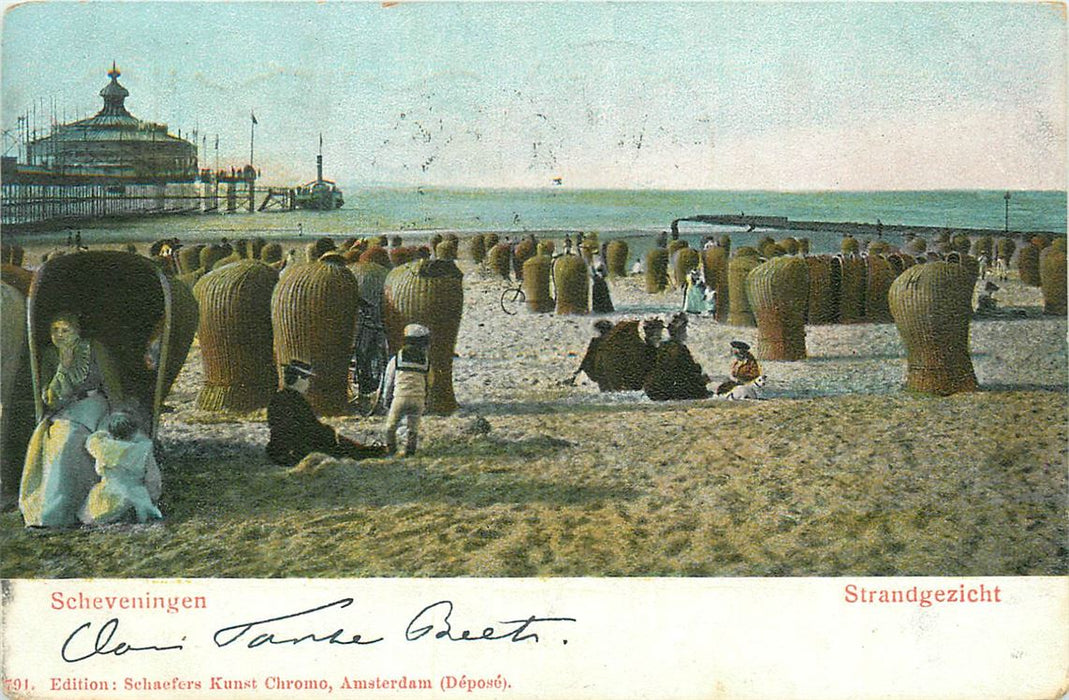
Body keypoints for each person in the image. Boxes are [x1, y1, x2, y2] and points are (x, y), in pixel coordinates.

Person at [19, 312, 125, 527]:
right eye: (54, 330)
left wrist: (117, 411)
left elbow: (111, 384)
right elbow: (49, 398)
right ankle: (53, 514)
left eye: (64, 330)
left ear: (76, 331)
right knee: (58, 441)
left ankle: (84, 508)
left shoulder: (94, 348)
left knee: (77, 440)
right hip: (66, 409)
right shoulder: (50, 354)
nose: (59, 335)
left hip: (94, 405)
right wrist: (63, 368)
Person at [267, 359, 385, 467]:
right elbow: (310, 428)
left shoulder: (280, 397)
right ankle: (366, 452)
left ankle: (364, 450)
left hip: (278, 450)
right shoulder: (296, 401)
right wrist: (331, 434)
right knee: (336, 444)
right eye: (307, 379)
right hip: (294, 452)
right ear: (298, 378)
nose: (308, 383)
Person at [80, 411, 162, 525]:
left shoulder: (103, 448)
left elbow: (92, 440)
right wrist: (153, 497)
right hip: (135, 495)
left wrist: (105, 433)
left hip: (108, 495)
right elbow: (153, 478)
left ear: (111, 433)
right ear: (135, 432)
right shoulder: (143, 450)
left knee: (101, 519)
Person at [381, 324, 431, 457]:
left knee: (390, 427)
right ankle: (410, 452)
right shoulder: (426, 362)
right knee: (412, 429)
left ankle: (392, 451)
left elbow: (389, 381)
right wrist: (426, 400)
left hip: (400, 398)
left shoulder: (396, 359)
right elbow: (429, 382)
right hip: (418, 400)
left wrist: (386, 400)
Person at [643, 313, 710, 401]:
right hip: (668, 390)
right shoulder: (679, 348)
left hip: (653, 390)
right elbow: (689, 371)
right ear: (681, 331)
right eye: (684, 329)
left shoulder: (662, 346)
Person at [568, 319, 614, 386]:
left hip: (600, 372)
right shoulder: (614, 342)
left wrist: (578, 372)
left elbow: (587, 358)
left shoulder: (596, 342)